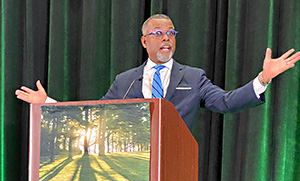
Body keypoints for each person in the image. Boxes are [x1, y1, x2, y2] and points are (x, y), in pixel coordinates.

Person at [15, 14, 300, 129]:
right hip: (133, 167)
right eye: (158, 33)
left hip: (175, 166)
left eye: (170, 33)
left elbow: (226, 102)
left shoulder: (193, 77)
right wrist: (49, 104)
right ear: (144, 41)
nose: (166, 38)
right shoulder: (126, 81)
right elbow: (97, 113)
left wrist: (263, 79)